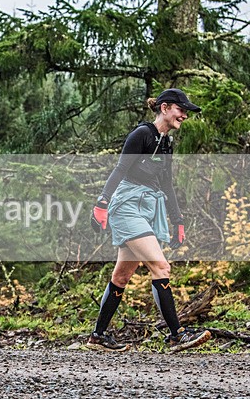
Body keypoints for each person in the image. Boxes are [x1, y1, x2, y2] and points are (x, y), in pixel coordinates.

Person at [88, 88, 212, 353]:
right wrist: (102, 202)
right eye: (181, 110)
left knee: (121, 276)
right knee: (161, 266)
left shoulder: (166, 143)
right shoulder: (142, 134)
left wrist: (177, 219)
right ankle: (177, 335)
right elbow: (120, 169)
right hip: (126, 206)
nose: (184, 116)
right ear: (165, 108)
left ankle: (97, 337)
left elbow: (166, 184)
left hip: (148, 206)